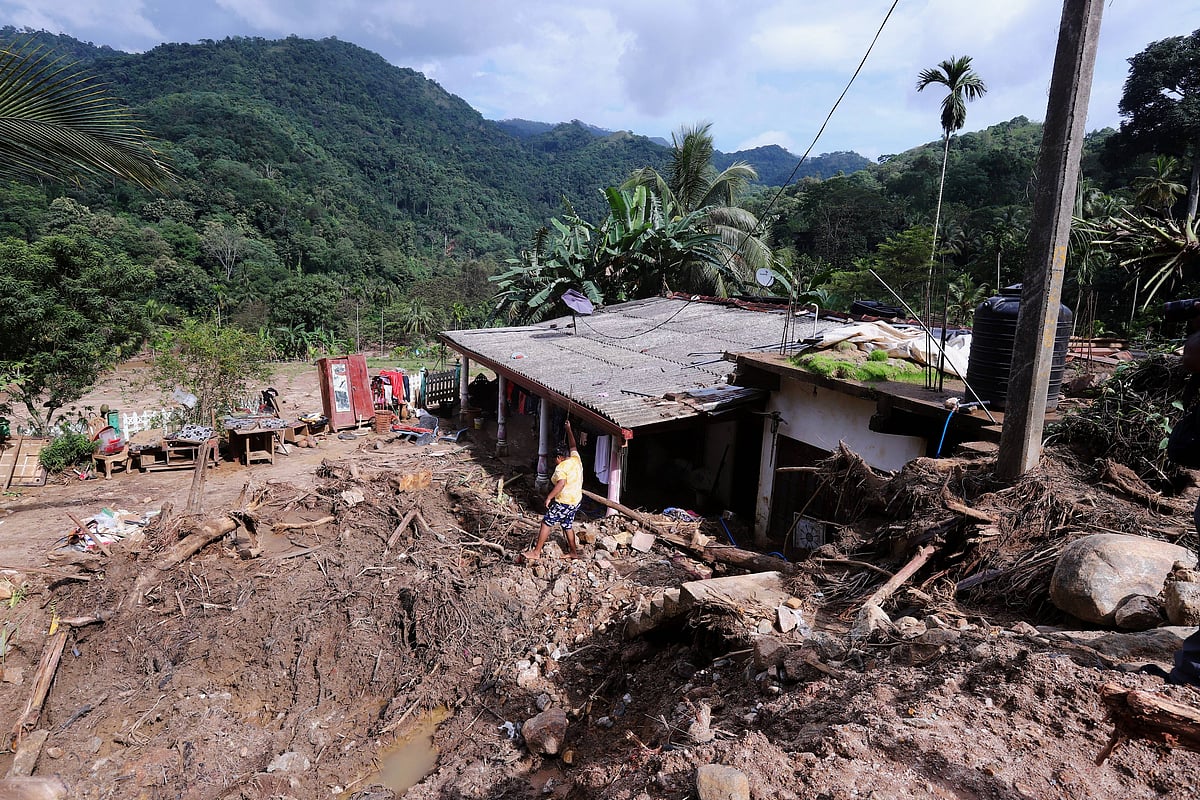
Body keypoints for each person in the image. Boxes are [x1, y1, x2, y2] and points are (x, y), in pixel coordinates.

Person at [524, 420, 583, 561]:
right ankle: (574, 552)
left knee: (546, 522)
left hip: (564, 502)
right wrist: (568, 429)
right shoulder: (576, 459)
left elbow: (561, 483)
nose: (554, 462)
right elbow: (573, 445)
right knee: (567, 525)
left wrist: (549, 497)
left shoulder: (561, 468)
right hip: (577, 501)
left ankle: (536, 552)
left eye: (554, 459)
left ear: (558, 457)